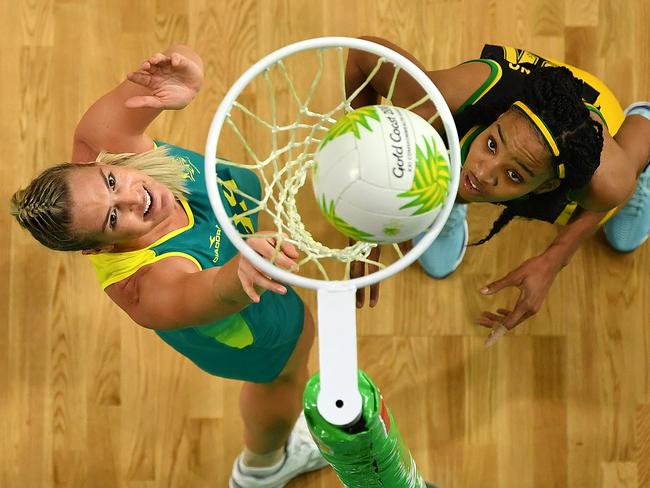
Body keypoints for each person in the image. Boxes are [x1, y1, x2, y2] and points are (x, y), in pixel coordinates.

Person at [10, 45, 328, 488]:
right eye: (113, 217)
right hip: (251, 325)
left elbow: (114, 115)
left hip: (240, 229)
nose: (131, 196)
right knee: (286, 375)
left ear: (94, 162)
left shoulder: (107, 148)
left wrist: (178, 81)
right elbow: (214, 289)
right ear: (98, 250)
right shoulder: (148, 288)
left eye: (111, 182)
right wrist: (243, 271)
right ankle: (262, 466)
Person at [346, 37, 650, 335]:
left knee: (622, 196)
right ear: (501, 115)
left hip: (605, 121)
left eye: (514, 174)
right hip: (536, 97)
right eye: (492, 144)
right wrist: (368, 211)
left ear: (548, 187)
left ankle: (642, 146)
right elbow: (363, 55)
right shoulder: (439, 103)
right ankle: (449, 201)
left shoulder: (603, 179)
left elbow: (642, 139)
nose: (483, 172)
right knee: (441, 154)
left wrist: (554, 259)